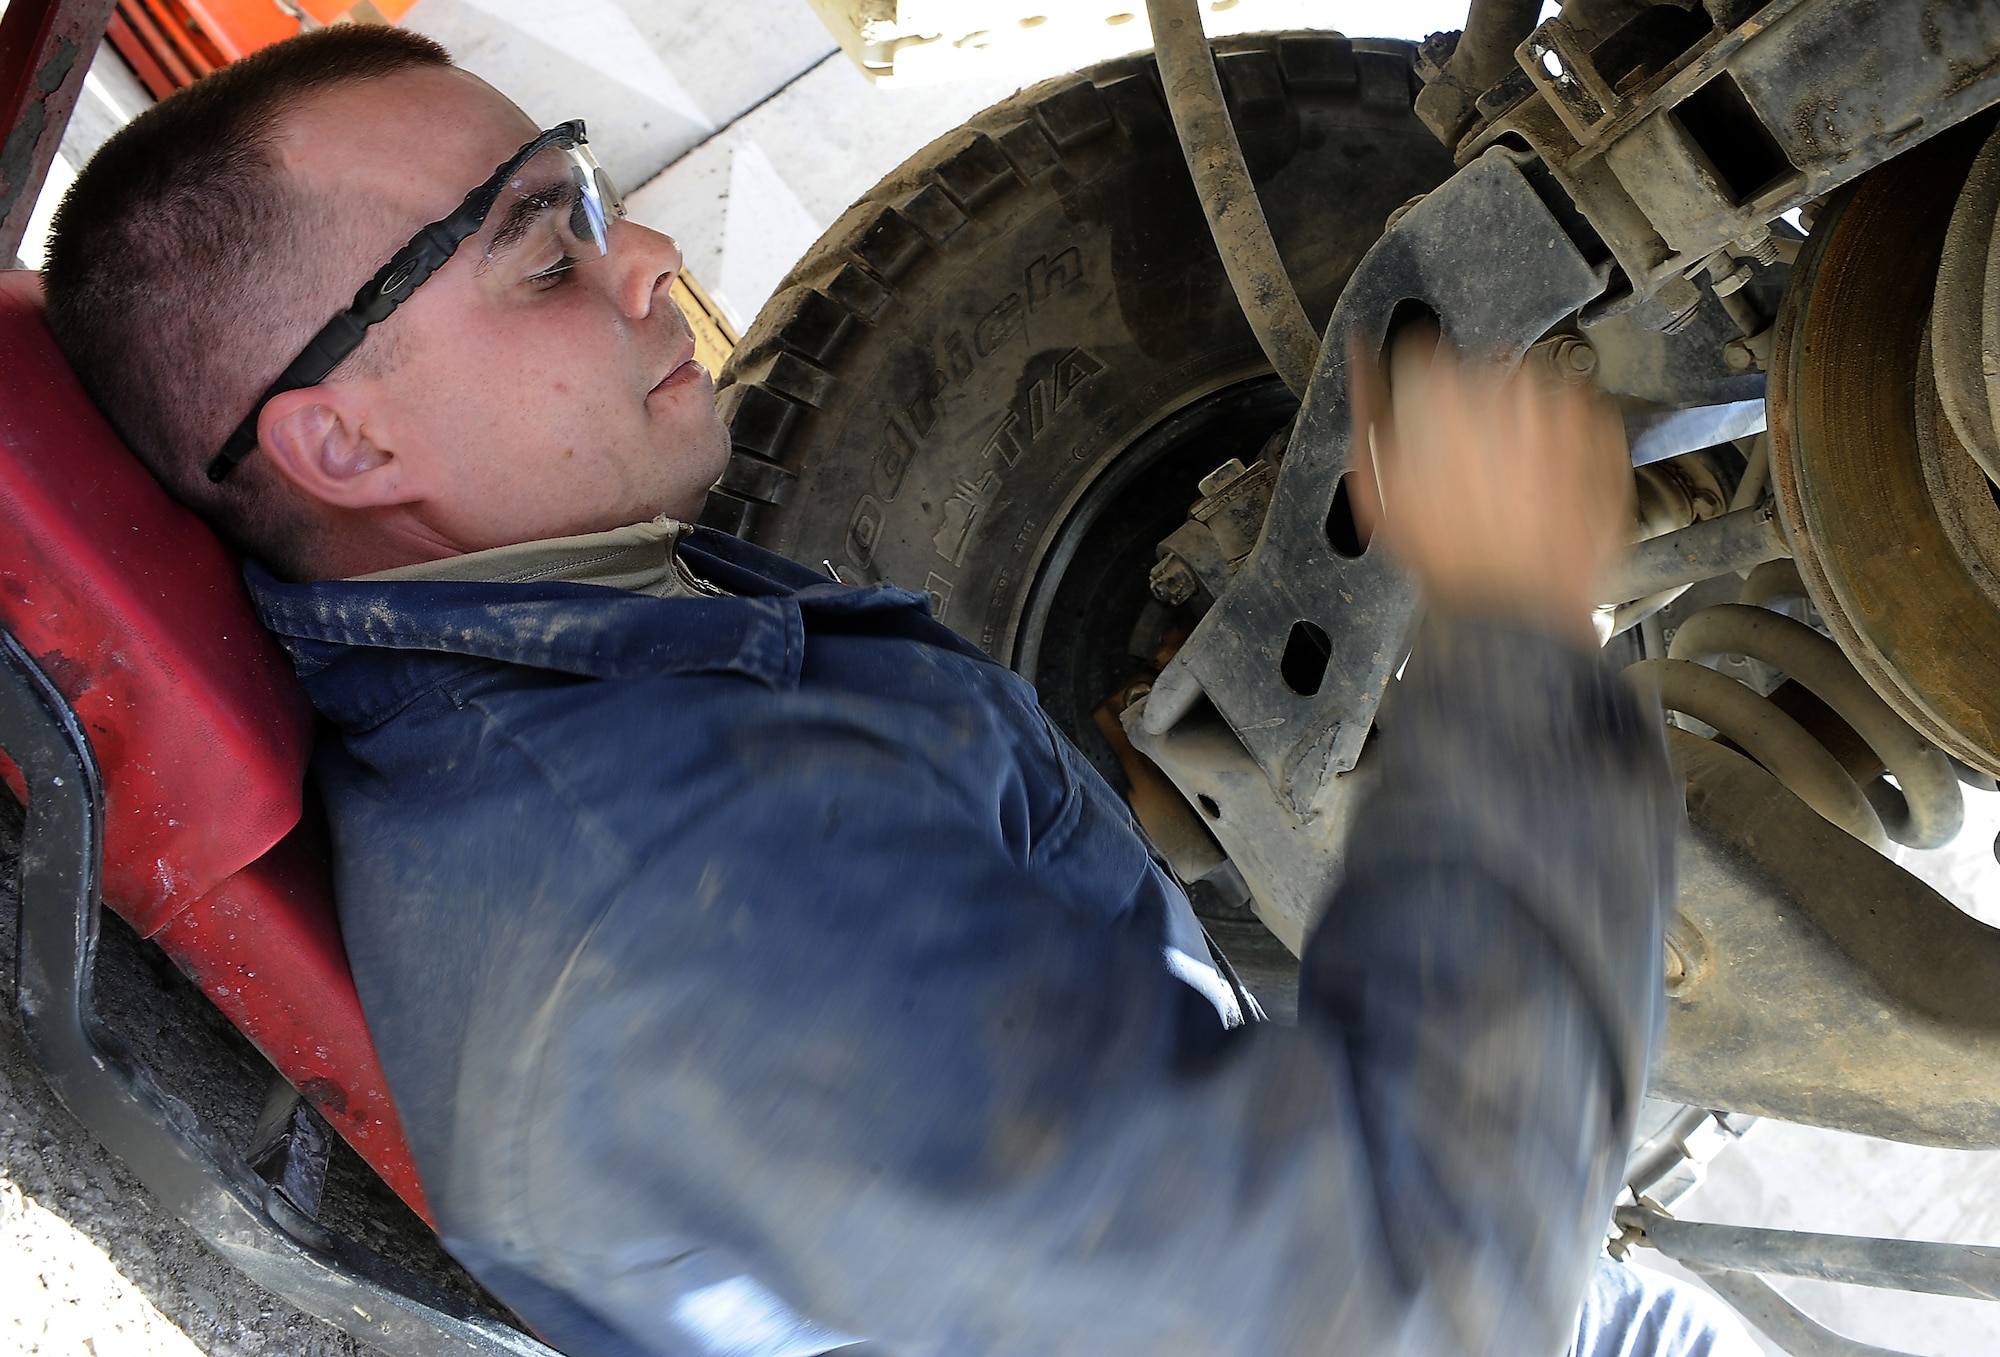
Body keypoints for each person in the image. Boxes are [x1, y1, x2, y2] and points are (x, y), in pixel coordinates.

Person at [39, 24, 1758, 1357]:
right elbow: (1425, 1302)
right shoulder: (674, 928)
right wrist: (1521, 645)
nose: (639, 250)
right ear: (341, 440)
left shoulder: (577, 637)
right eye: (540, 250)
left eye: (582, 196)